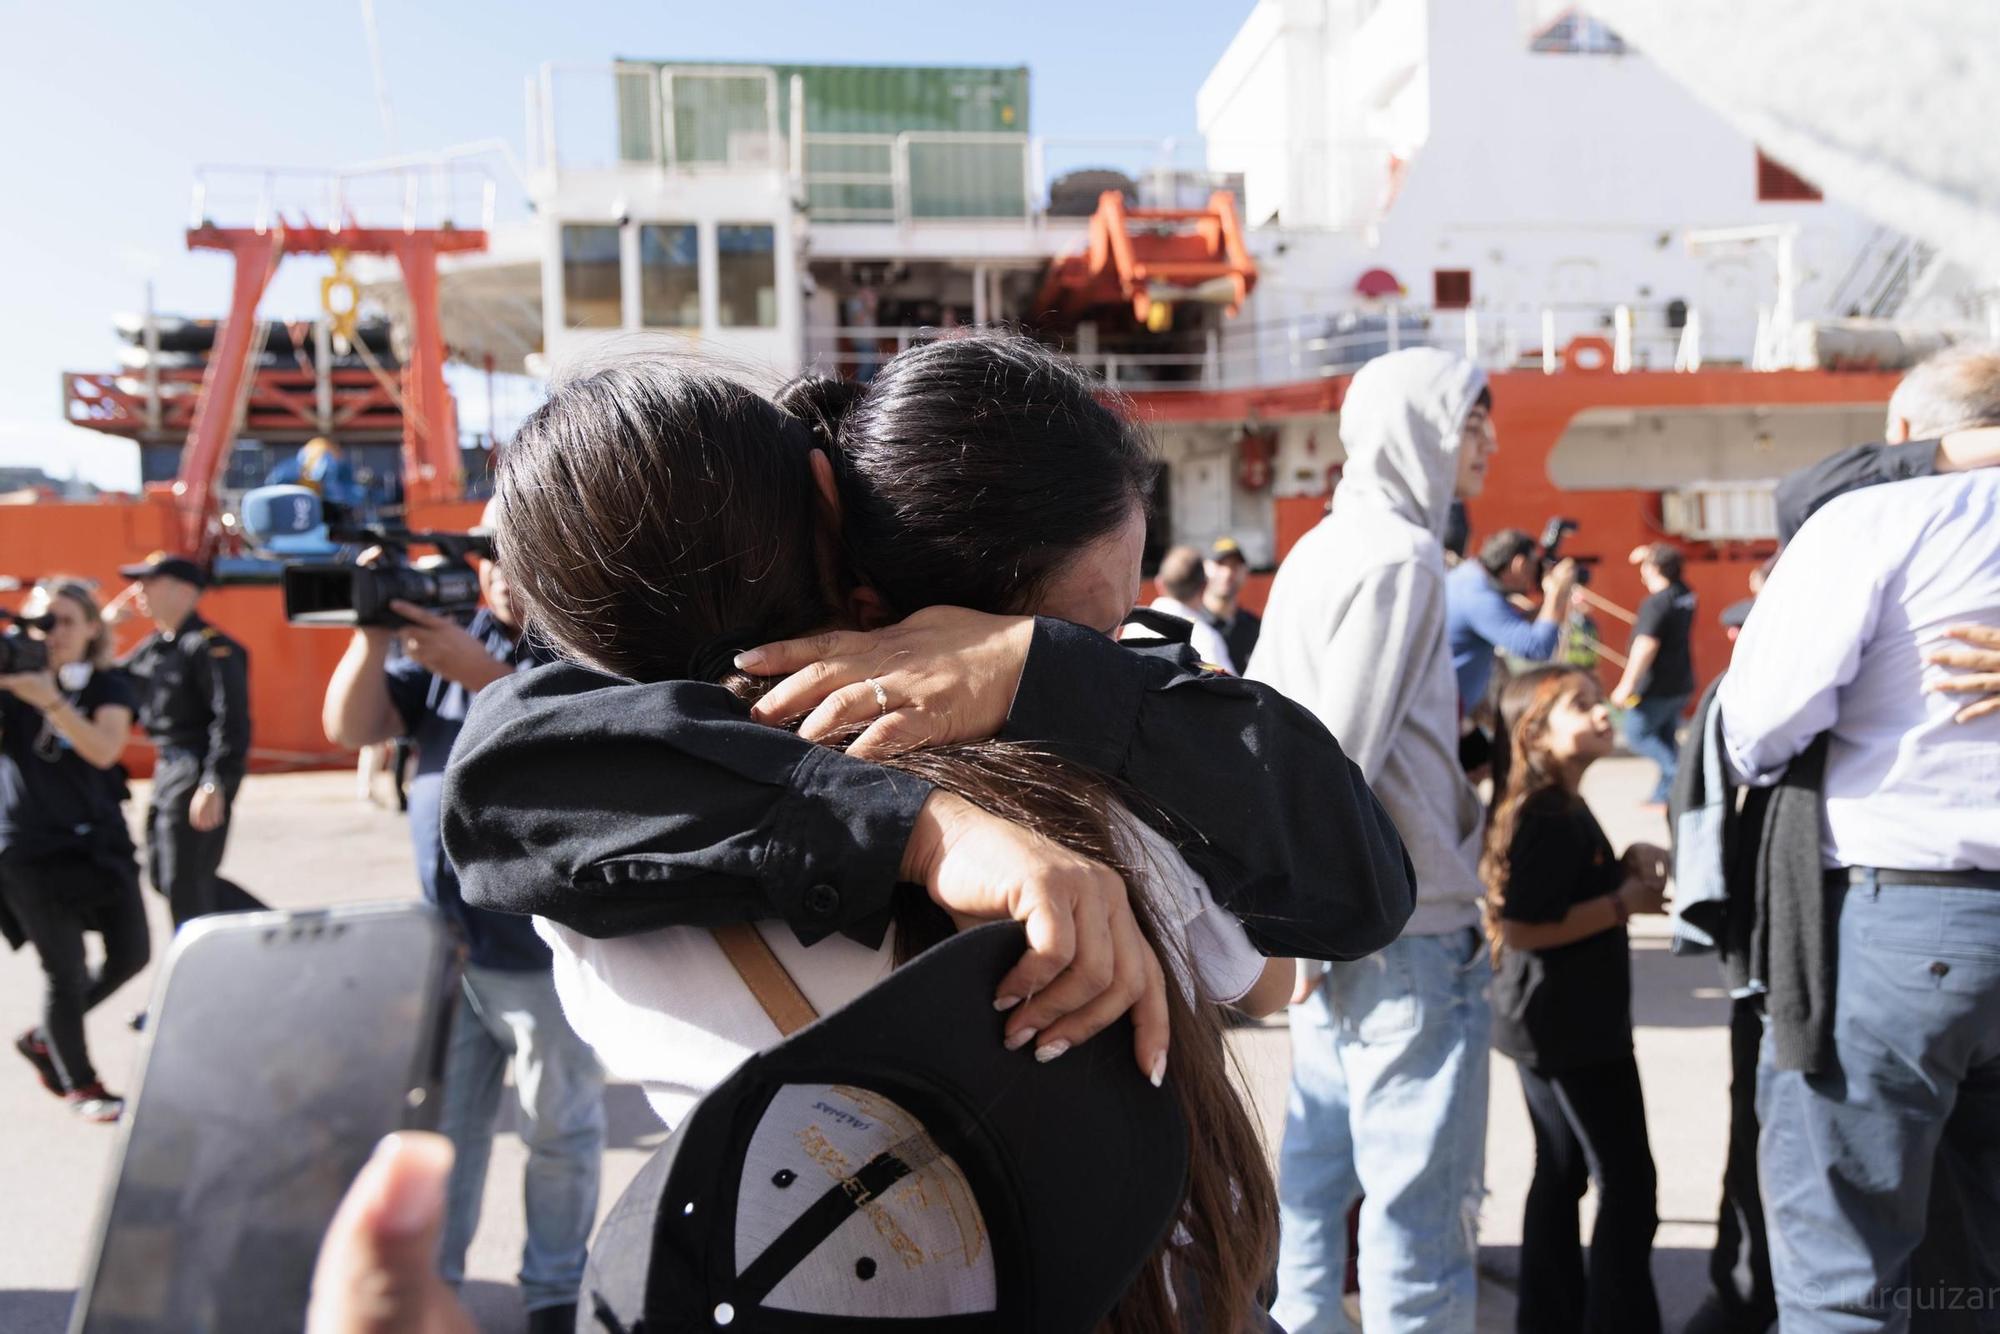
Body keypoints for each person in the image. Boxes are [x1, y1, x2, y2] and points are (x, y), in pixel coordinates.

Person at [484, 358, 1289, 1330]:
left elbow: (524, 755)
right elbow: (1273, 978)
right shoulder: (1072, 794)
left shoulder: (583, 894)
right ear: (825, 499)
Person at [440, 335, 1414, 1036]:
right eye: (1082, 628)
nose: (1114, 651)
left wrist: (1045, 669)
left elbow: (504, 762)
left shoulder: (626, 812)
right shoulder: (1081, 821)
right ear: (887, 609)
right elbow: (1339, 910)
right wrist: (935, 821)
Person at [1247, 346, 1495, 1333]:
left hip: (1337, 921)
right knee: (1419, 1213)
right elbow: (1336, 755)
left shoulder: (1319, 545)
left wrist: (1292, 918)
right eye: (1470, 415)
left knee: (1315, 1180)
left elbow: (1271, 731)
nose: (1486, 437)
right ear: (1421, 427)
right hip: (1406, 921)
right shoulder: (1403, 560)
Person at [1719, 461, 2000, 1330]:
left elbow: (1759, 727)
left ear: (1913, 431)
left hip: (1909, 919)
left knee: (1844, 1279)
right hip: (1926, 922)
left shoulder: (1883, 516)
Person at [321, 514, 605, 1334]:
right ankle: (432, 1279)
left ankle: (552, 1290)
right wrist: (371, 633)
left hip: (542, 949)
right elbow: (354, 727)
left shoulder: (581, 649)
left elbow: (580, 765)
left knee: (558, 1127)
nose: (500, 573)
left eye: (514, 550)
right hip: (447, 950)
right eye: (486, 555)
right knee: (446, 1134)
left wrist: (489, 680)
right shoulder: (454, 638)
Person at [1482, 665, 1671, 1334]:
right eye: (1581, 706)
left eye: (1599, 702)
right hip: (1573, 1028)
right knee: (1628, 1184)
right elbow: (1525, 925)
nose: (1601, 713)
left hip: (1549, 1022)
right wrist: (1625, 902)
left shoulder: (1556, 802)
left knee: (1560, 1172)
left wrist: (1621, 866)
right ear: (1535, 731)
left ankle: (1550, 1317)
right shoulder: (1548, 812)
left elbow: (1555, 894)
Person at [0, 579, 149, 1122]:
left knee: (131, 954)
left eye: (65, 621)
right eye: (40, 623)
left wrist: (53, 702)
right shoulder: (9, 684)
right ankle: (81, 1084)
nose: (53, 634)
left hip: (98, 843)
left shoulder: (109, 686)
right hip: (28, 849)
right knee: (64, 971)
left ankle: (46, 1038)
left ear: (92, 627)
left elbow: (105, 750)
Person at [114, 552, 251, 928]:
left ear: (183, 590)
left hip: (196, 767)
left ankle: (200, 972)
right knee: (164, 875)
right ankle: (263, 925)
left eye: (149, 582)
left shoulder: (209, 646)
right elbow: (112, 682)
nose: (138, 591)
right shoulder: (157, 645)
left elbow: (231, 720)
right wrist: (100, 631)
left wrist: (215, 781)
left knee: (184, 882)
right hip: (167, 767)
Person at [1446, 528, 1578, 712]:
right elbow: (1536, 648)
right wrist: (1555, 593)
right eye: (1534, 566)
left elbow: (1511, 625)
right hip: (1442, 713)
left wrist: (1550, 603)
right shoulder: (1479, 597)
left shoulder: (1467, 578)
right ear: (1520, 564)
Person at [1609, 543, 1695, 806]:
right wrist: (1651, 552)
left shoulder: (1655, 604)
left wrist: (1626, 685)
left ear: (1655, 569)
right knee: (1666, 738)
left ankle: (1681, 778)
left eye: (1646, 566)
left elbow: (1645, 646)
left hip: (1656, 686)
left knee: (1637, 734)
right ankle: (1664, 796)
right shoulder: (1685, 594)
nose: (1642, 572)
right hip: (1680, 682)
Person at [1151, 544, 1238, 672]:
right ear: (1204, 587)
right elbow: (1233, 688)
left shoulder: (1132, 627)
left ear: (1159, 584)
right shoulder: (1205, 639)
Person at [1203, 537, 1263, 670]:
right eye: (1220, 564)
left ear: (1244, 572)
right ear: (1206, 568)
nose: (1227, 573)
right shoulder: (1194, 624)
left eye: (1234, 566)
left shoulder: (1255, 628)